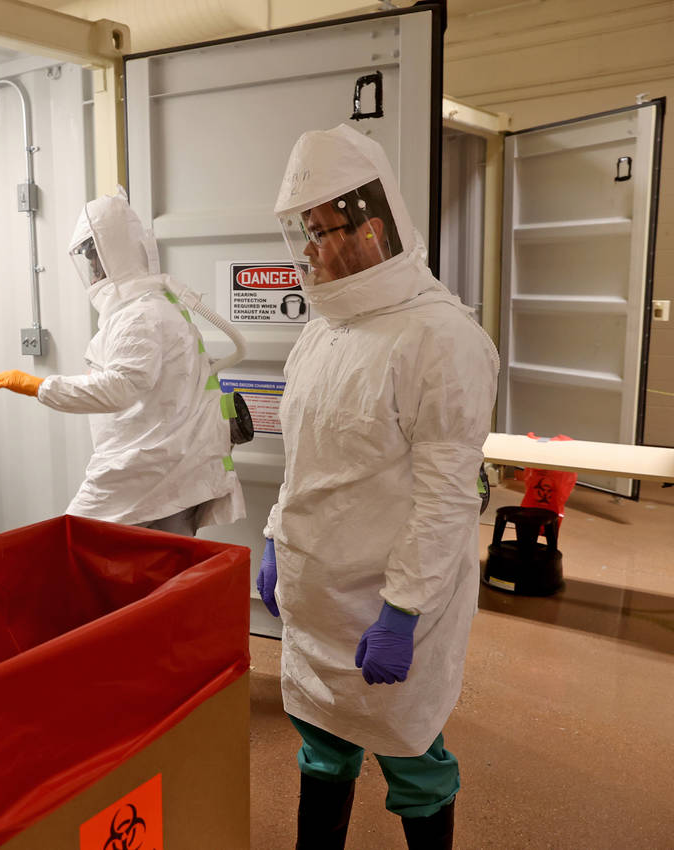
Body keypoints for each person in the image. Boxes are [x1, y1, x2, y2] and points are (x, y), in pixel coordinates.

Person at [256, 125, 498, 849]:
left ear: (370, 227)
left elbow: (448, 496)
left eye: (319, 232)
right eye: (301, 233)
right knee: (322, 742)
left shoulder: (441, 339)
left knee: (410, 752)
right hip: (317, 597)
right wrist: (274, 537)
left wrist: (403, 609)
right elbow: (304, 455)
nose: (307, 251)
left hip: (386, 604)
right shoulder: (323, 331)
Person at [0, 191, 244, 536]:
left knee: (79, 541)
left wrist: (41, 386)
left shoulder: (139, 314)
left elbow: (120, 388)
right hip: (169, 465)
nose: (93, 270)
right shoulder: (152, 306)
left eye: (95, 259)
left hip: (147, 468)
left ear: (115, 253)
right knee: (160, 568)